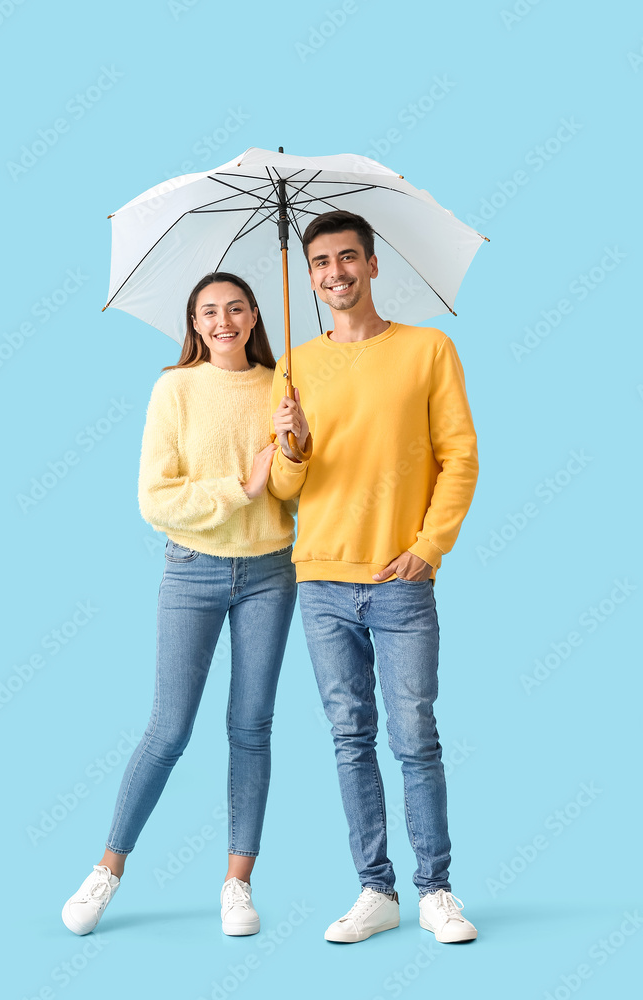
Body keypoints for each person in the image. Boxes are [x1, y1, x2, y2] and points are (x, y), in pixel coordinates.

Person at [61, 272, 297, 938]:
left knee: (252, 726)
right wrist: (241, 486)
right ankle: (108, 868)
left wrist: (296, 446)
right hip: (191, 571)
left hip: (271, 572)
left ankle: (237, 883)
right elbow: (156, 499)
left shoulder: (284, 386)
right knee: (168, 730)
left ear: (255, 316)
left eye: (236, 308)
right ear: (194, 324)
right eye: (208, 311)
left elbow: (295, 492)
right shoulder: (175, 388)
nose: (223, 320)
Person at [268, 210, 479, 944]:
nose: (335, 274)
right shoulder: (293, 367)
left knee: (414, 734)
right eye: (321, 263)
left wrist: (429, 546)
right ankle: (374, 890)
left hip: (400, 580)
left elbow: (460, 458)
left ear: (373, 264)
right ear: (311, 274)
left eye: (347, 259)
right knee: (349, 736)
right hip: (320, 581)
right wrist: (291, 445)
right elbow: (288, 490)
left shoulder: (428, 350)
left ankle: (436, 890)